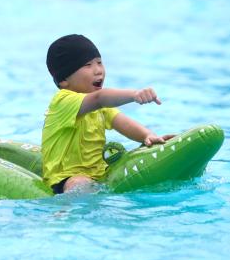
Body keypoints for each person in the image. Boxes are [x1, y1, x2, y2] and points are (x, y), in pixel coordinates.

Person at [42, 34, 173, 194]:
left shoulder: (101, 107)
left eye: (99, 62)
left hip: (100, 174)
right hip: (65, 177)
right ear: (64, 80)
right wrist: (134, 94)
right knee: (80, 183)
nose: (98, 70)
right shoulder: (63, 101)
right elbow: (100, 98)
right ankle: (64, 213)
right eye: (88, 65)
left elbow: (123, 123)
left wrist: (148, 135)